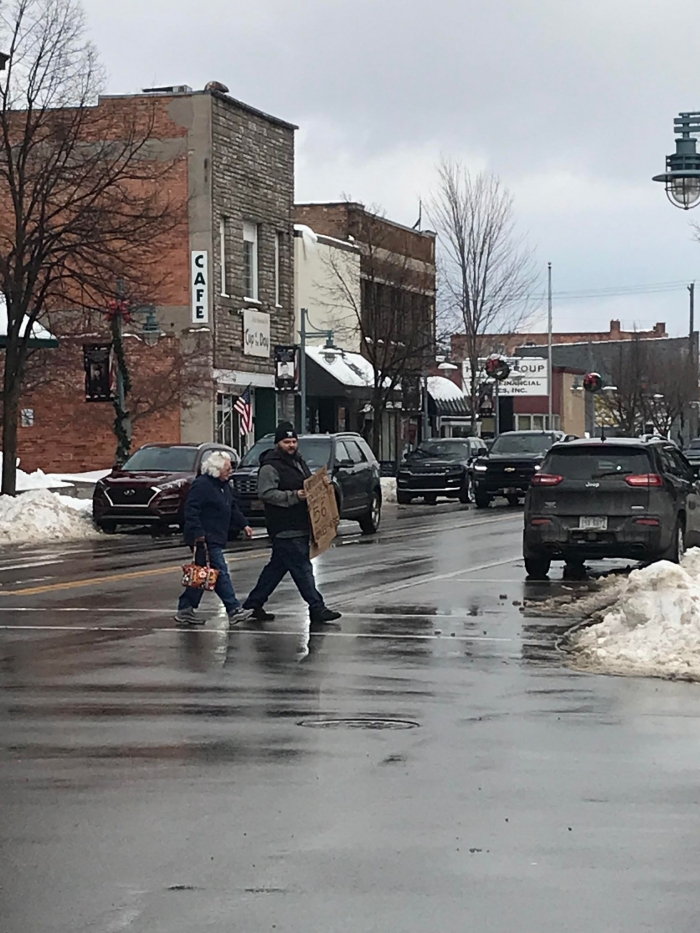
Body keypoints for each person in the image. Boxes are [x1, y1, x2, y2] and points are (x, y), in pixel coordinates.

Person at [243, 422, 342, 624]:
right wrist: (294, 496)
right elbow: (266, 494)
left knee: (276, 569)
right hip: (284, 526)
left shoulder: (298, 462)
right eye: (286, 441)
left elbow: (306, 485)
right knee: (303, 569)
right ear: (277, 443)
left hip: (301, 524)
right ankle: (317, 608)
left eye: (294, 441)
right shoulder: (270, 467)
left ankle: (252, 605)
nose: (291, 445)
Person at [175, 450, 254, 627]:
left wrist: (244, 524)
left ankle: (185, 608)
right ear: (216, 469)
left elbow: (232, 507)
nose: (231, 471)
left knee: (203, 574)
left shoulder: (223, 485)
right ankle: (234, 609)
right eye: (227, 468)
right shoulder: (202, 485)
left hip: (216, 535)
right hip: (203, 538)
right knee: (220, 572)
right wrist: (198, 533)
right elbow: (191, 510)